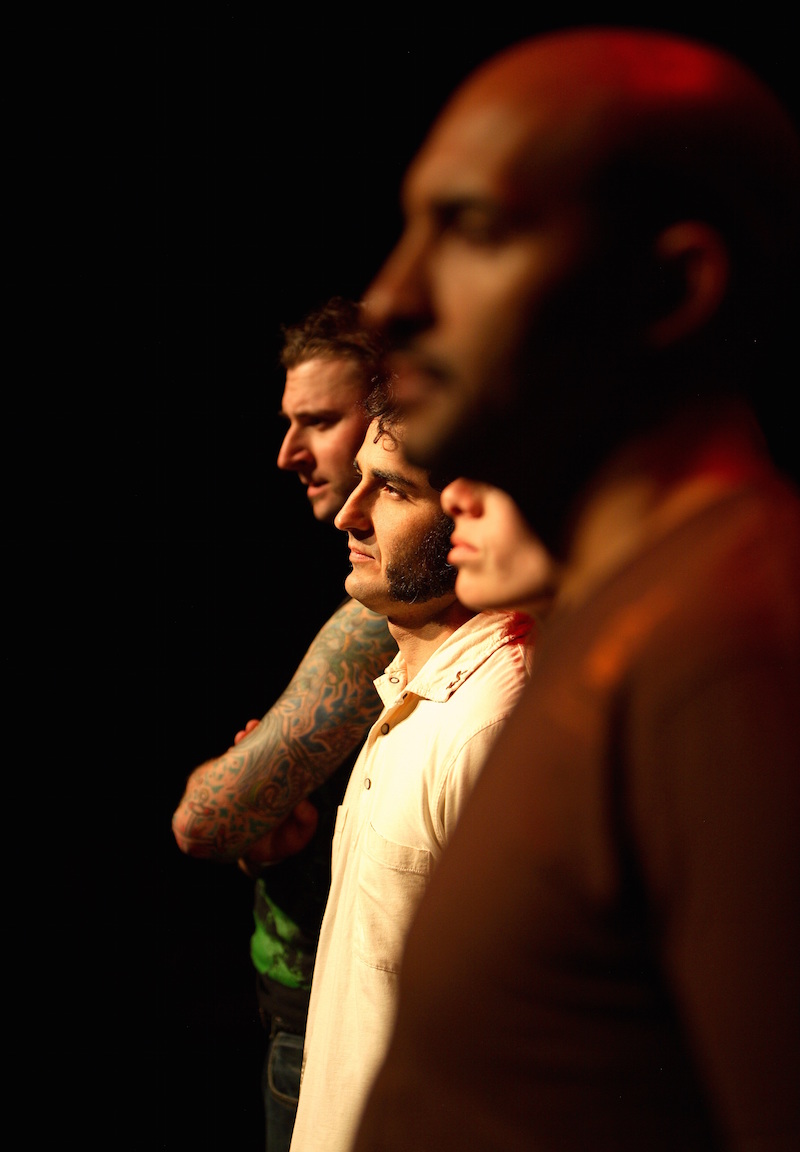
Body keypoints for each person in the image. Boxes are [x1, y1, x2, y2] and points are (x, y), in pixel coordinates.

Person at [351, 26, 800, 1152]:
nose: (392, 298)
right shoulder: (630, 619)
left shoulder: (728, 643)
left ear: (668, 284)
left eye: (473, 231)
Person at [287, 386, 545, 1152]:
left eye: (393, 488)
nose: (348, 513)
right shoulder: (416, 700)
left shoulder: (492, 724)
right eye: (358, 479)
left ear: (468, 512)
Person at [172, 297, 398, 1152]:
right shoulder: (348, 570)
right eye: (287, 421)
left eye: (320, 421)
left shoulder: (382, 611)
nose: (287, 453)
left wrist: (249, 801)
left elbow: (203, 819)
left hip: (334, 1029)